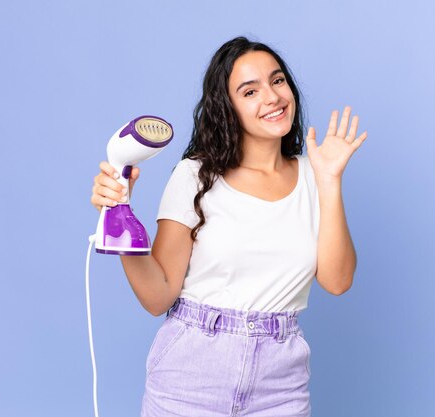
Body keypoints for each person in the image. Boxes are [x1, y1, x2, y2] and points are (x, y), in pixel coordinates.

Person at [90, 36, 367, 416]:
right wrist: (120, 219)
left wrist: (330, 180)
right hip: (190, 374)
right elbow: (158, 297)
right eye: (250, 91)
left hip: (280, 383)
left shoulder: (314, 174)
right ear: (228, 108)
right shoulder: (195, 176)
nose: (272, 97)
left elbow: (337, 281)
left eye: (278, 81)